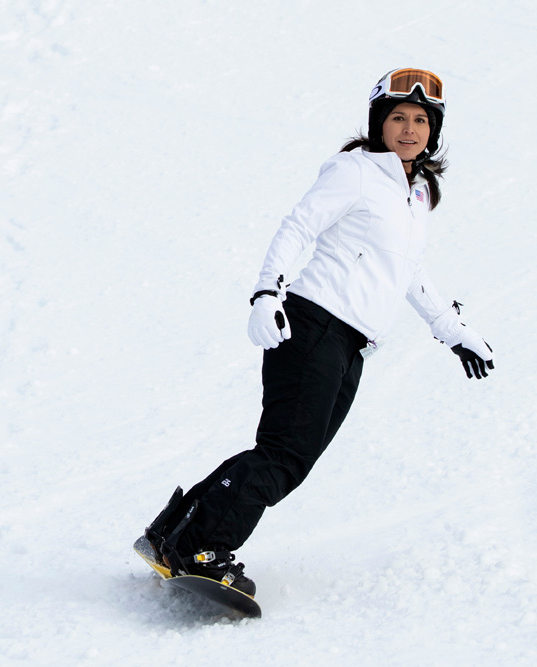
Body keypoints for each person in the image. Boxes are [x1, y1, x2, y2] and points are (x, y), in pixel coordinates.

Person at [144, 68, 494, 597]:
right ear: (379, 123)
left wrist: (453, 329)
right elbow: (298, 226)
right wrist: (267, 293)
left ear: (433, 132)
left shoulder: (415, 194)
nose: (408, 129)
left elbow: (408, 273)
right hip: (314, 323)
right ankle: (200, 549)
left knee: (288, 457)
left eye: (420, 120)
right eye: (398, 117)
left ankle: (174, 533)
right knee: (284, 454)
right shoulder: (355, 171)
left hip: (351, 345)